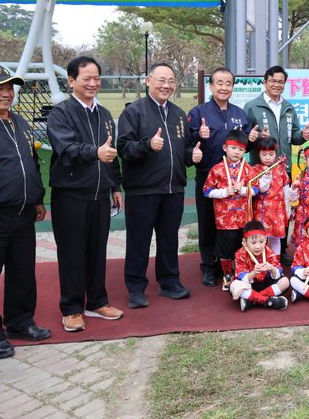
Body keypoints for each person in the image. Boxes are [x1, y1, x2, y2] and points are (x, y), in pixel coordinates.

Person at [46, 56, 124, 333]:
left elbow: (111, 154)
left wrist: (115, 186)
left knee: (96, 250)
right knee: (72, 253)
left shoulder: (103, 114)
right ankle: (71, 308)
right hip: (71, 196)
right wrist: (95, 153)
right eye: (86, 79)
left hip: (100, 195)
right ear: (71, 81)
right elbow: (66, 150)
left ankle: (97, 301)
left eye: (97, 79)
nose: (93, 84)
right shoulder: (60, 113)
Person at [117, 62, 203, 309]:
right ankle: (135, 288)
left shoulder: (177, 113)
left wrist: (191, 156)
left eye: (171, 81)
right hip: (143, 190)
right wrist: (146, 145)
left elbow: (184, 147)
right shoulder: (134, 112)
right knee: (139, 241)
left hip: (173, 189)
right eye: (161, 80)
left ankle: (169, 282)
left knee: (169, 239)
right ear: (148, 81)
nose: (166, 85)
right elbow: (123, 148)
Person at [0, 64, 50, 359]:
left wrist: (37, 198)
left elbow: (31, 164)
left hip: (23, 214)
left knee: (22, 273)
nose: (6, 94)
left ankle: (20, 322)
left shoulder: (20, 122)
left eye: (10, 88)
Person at [187, 67, 251, 287]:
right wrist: (198, 135)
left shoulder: (240, 114)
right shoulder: (198, 113)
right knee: (207, 223)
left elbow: (246, 144)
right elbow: (188, 142)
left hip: (235, 180)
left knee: (232, 226)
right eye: (220, 83)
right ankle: (208, 266)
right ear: (211, 86)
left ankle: (231, 264)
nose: (224, 88)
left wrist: (251, 138)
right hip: (209, 177)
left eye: (228, 84)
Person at [244, 65, 309, 265]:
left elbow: (295, 136)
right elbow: (247, 140)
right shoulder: (252, 106)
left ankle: (280, 251)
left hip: (285, 168)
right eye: (273, 80)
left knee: (283, 212)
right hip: (261, 170)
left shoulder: (289, 108)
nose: (276, 85)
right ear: (264, 82)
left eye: (281, 82)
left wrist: (304, 136)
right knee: (262, 212)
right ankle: (259, 251)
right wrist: (255, 138)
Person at [202, 129, 266, 291]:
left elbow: (257, 190)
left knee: (243, 247)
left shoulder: (248, 169)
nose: (237, 152)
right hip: (225, 220)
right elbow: (207, 191)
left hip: (244, 219)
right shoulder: (217, 169)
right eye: (233, 148)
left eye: (241, 150)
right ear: (225, 148)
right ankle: (227, 274)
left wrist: (244, 189)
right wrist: (225, 192)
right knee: (225, 250)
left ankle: (241, 272)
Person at [229, 221, 289, 311]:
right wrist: (253, 273)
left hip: (266, 284)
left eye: (261, 241)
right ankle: (268, 301)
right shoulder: (240, 254)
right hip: (250, 285)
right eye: (253, 243)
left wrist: (271, 268)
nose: (258, 246)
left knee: (285, 281)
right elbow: (240, 275)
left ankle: (252, 300)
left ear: (266, 239)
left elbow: (278, 271)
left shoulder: (268, 251)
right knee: (234, 286)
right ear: (245, 242)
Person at [251, 137, 290, 257]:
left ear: (276, 154)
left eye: (271, 154)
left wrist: (288, 207)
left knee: (276, 237)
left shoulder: (280, 168)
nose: (268, 157)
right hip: (261, 210)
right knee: (261, 237)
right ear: (258, 154)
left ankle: (276, 264)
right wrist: (266, 177)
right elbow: (261, 189)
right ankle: (262, 263)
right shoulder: (255, 169)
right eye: (264, 154)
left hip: (278, 210)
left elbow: (286, 188)